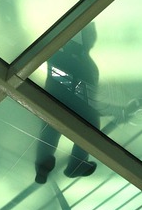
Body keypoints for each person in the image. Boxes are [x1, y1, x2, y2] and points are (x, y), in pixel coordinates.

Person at [36, 24, 101, 183]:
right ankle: (75, 163)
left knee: (50, 132)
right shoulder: (76, 57)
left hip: (57, 101)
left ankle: (44, 166)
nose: (93, 38)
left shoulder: (67, 54)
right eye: (90, 34)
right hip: (68, 102)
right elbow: (79, 84)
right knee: (90, 126)